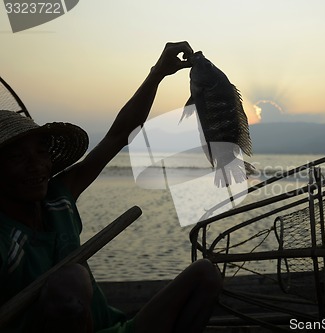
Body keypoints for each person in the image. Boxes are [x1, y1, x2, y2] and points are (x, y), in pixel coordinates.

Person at [0, 41, 222, 333]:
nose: (35, 165)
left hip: (117, 328)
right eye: (17, 157)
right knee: (71, 282)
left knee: (206, 273)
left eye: (41, 152)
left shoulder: (58, 198)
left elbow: (119, 135)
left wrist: (158, 73)